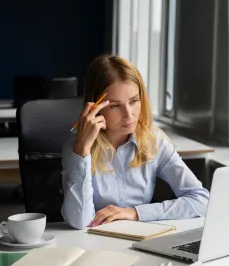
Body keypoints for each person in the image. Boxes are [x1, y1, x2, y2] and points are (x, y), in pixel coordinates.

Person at [60, 54, 210, 230]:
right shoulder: (76, 147)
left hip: (140, 239)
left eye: (134, 101)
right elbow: (79, 222)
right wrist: (83, 149)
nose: (129, 114)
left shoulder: (154, 142)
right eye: (115, 105)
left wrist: (135, 212)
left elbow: (201, 201)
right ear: (95, 107)